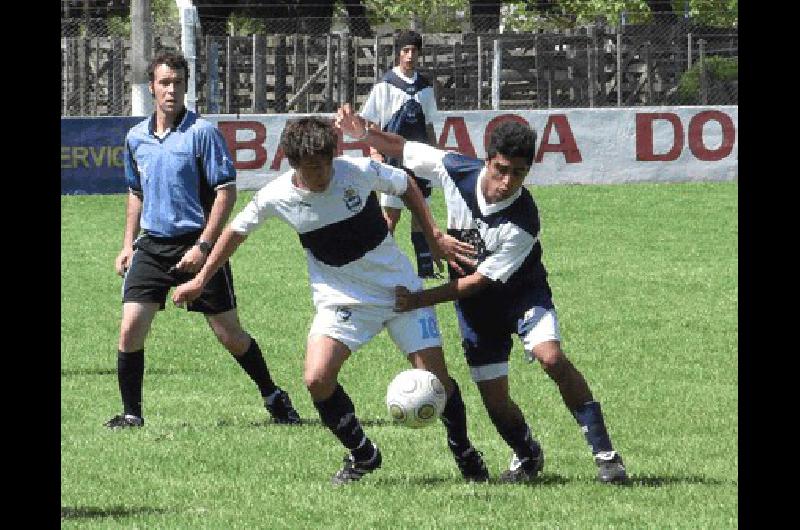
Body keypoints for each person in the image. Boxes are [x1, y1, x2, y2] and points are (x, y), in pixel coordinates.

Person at [172, 116, 488, 486]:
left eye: (325, 164)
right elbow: (235, 234)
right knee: (317, 379)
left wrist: (433, 236)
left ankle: (464, 450)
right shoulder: (276, 196)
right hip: (341, 301)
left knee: (436, 379)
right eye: (311, 168)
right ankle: (362, 454)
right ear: (293, 164)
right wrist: (200, 279)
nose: (321, 175)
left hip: (400, 293)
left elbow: (407, 185)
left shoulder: (356, 171)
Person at [336, 104, 629, 484]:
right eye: (501, 169)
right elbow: (404, 148)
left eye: (519, 173)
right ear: (487, 160)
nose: (507, 181)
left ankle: (605, 454)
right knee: (494, 397)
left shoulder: (523, 219)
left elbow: (479, 281)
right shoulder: (456, 169)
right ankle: (526, 454)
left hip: (522, 296)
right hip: (475, 311)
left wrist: (418, 299)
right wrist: (363, 135)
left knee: (551, 358)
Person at [106, 51, 300, 429]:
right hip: (152, 244)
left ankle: (273, 395)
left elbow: (225, 193)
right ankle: (132, 413)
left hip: (196, 242)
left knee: (228, 333)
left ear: (186, 87)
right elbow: (136, 192)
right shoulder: (136, 138)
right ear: (152, 87)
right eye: (164, 83)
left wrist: (204, 247)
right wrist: (128, 243)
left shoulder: (202, 133)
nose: (171, 90)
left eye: (178, 83)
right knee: (130, 327)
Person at [359, 29, 440, 279]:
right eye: (405, 50)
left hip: (420, 160)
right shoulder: (385, 86)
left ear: (419, 54)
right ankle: (380, 267)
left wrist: (435, 156)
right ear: (398, 53)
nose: (409, 55)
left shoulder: (425, 87)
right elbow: (369, 123)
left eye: (414, 51)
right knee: (390, 217)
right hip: (393, 160)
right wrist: (375, 152)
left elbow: (429, 125)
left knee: (420, 214)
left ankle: (425, 269)